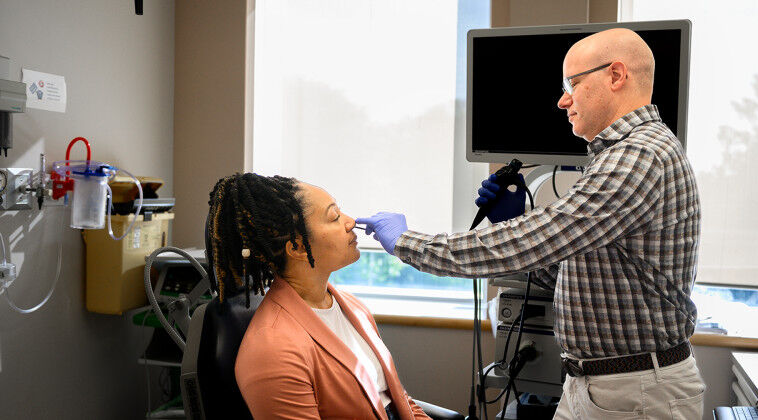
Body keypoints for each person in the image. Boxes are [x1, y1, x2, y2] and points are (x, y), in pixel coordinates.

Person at [357, 28, 705, 419]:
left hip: (634, 393)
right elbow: (584, 277)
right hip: (597, 385)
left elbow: (535, 239)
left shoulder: (638, 156)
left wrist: (408, 242)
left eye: (572, 83)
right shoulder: (626, 154)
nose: (562, 100)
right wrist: (518, 221)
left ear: (616, 75)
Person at [207, 173, 430, 420]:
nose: (350, 222)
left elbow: (400, 401)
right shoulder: (273, 349)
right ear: (298, 248)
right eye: (334, 217)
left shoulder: (352, 307)